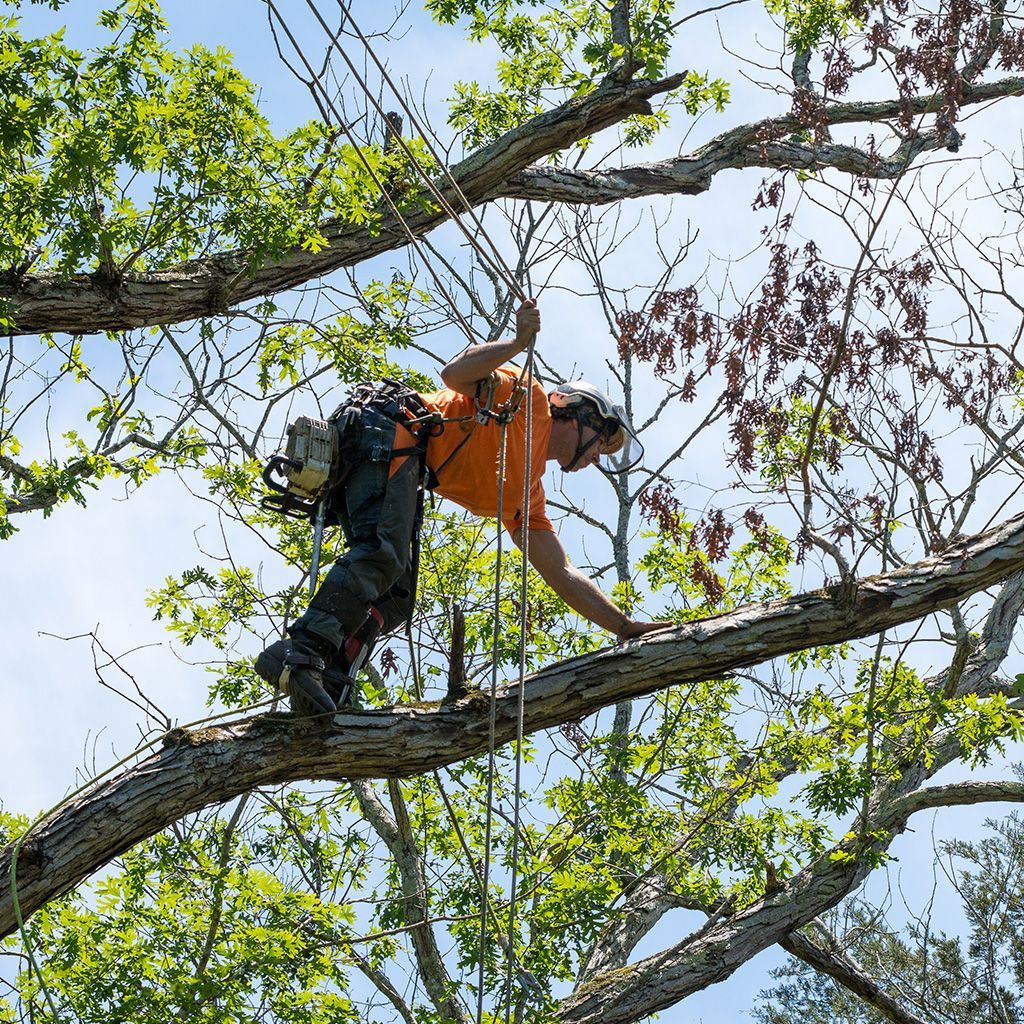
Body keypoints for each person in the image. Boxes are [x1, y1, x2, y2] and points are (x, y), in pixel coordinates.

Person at [257, 299, 667, 716]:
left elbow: (560, 572)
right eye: (601, 443)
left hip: (398, 460)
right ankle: (302, 652)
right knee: (383, 553)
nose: (597, 457)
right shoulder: (531, 400)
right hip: (387, 430)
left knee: (395, 597)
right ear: (580, 416)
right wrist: (517, 342)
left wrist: (621, 625)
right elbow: (455, 374)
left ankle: (326, 680)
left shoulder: (526, 497)